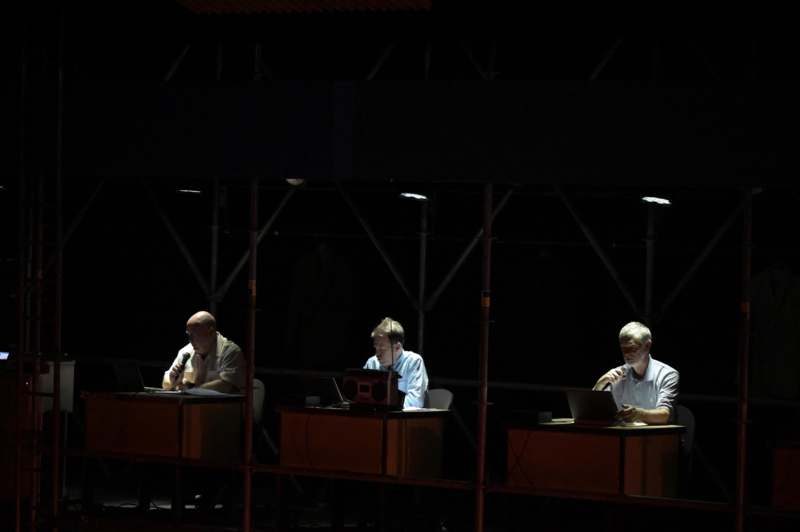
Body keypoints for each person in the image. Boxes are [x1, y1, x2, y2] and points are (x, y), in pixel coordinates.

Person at [592, 321, 679, 425]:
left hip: (655, 437)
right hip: (624, 436)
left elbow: (664, 415)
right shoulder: (618, 373)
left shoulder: (667, 374)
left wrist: (639, 414)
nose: (626, 354)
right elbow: (594, 410)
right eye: (623, 349)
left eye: (632, 348)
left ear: (647, 346)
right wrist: (599, 384)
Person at [162, 311, 245, 393]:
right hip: (191, 405)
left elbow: (226, 385)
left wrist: (190, 389)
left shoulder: (231, 352)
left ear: (211, 332)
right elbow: (166, 382)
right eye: (189, 335)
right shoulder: (185, 351)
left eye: (195, 335)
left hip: (222, 405)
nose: (191, 340)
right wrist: (173, 381)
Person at [363, 317, 428, 409]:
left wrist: (384, 406)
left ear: (397, 347)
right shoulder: (372, 363)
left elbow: (415, 402)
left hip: (406, 421)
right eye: (376, 348)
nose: (377, 354)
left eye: (382, 349)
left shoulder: (414, 362)